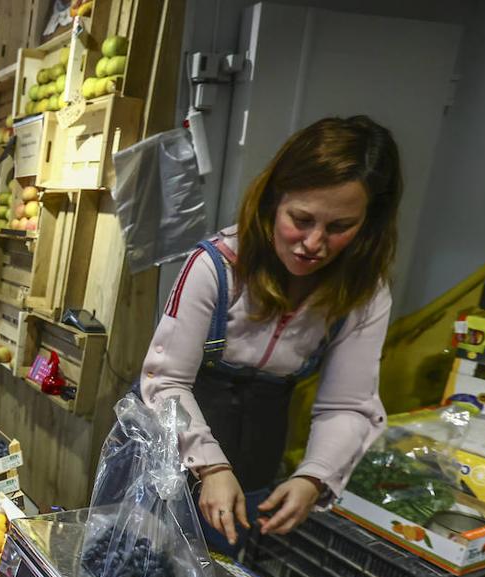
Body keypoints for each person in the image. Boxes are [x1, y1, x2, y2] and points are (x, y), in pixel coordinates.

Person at [138, 115, 401, 552]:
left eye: (339, 228)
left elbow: (348, 406)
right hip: (171, 446)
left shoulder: (365, 295)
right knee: (141, 566)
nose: (313, 242)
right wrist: (211, 466)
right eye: (301, 219)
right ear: (273, 201)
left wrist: (314, 476)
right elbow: (166, 380)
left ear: (369, 226)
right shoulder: (218, 267)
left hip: (257, 454)